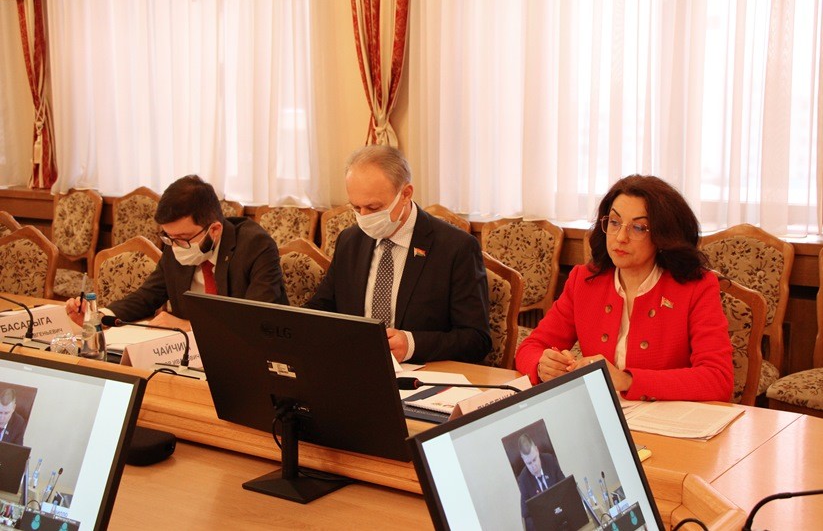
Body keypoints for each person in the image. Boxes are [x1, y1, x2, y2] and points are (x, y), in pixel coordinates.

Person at [516, 175, 733, 402]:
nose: (620, 237)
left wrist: (627, 380)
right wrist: (542, 365)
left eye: (638, 228)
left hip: (669, 418)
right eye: (614, 222)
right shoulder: (584, 280)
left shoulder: (696, 287)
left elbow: (718, 378)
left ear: (662, 235)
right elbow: (530, 347)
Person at [305, 145, 491, 363]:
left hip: (422, 373)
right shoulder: (350, 240)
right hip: (356, 365)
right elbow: (321, 308)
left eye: (373, 208)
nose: (364, 217)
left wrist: (412, 344)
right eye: (356, 208)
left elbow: (476, 339)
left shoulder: (455, 247)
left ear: (405, 194)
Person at [65, 175, 289, 330]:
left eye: (183, 238)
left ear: (214, 230)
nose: (175, 247)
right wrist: (97, 316)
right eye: (169, 237)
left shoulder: (255, 246)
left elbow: (258, 320)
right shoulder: (175, 243)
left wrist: (189, 327)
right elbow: (146, 297)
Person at [516, 433, 565, 531]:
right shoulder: (523, 480)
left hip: (563, 518)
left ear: (537, 450)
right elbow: (526, 518)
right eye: (529, 463)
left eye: (534, 460)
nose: (533, 466)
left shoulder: (550, 461)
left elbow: (566, 488)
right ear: (523, 459)